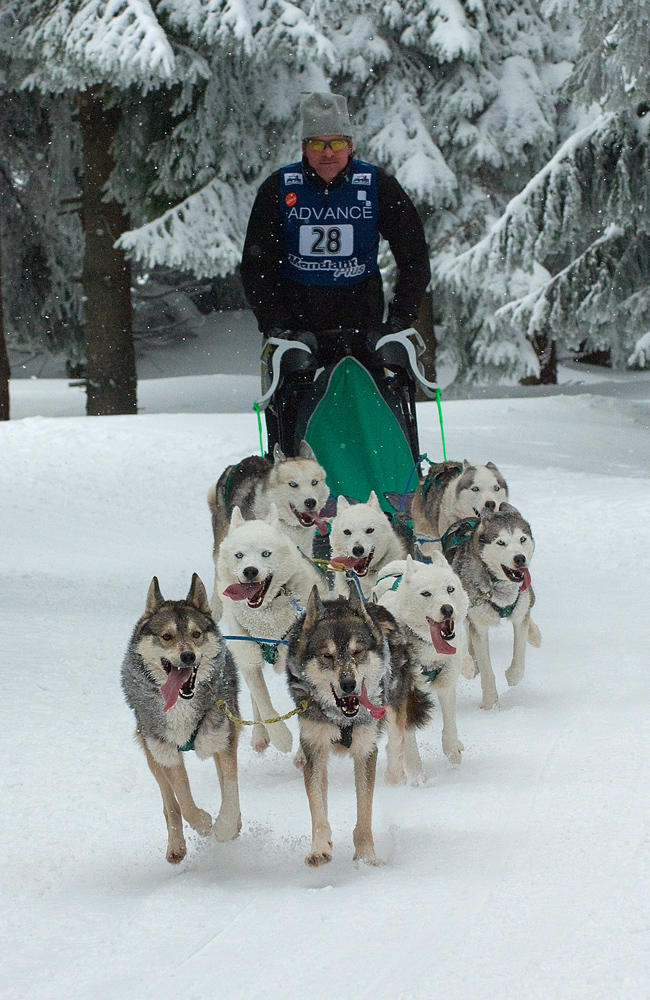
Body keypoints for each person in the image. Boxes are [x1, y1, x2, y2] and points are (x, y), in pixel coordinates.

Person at [241, 92, 431, 341]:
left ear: (350, 146)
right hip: (295, 325)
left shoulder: (377, 185)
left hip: (363, 321)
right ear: (304, 148)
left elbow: (414, 255)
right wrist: (275, 324)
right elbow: (256, 265)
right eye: (317, 144)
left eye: (337, 144)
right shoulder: (279, 187)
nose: (328, 153)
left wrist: (399, 320)